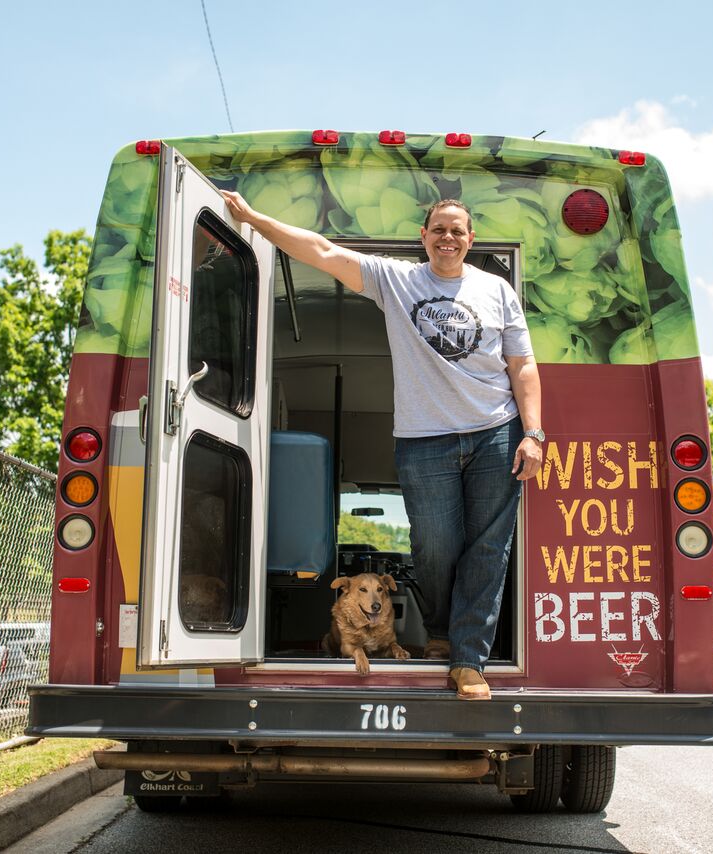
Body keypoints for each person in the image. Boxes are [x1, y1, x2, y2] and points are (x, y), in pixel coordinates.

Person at [221, 191, 543, 701]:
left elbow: (522, 365)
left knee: (488, 551)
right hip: (424, 440)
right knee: (434, 549)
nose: (448, 237)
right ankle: (439, 629)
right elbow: (324, 252)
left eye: (457, 230)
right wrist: (253, 218)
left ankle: (467, 662)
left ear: (471, 239)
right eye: (439, 228)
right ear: (424, 236)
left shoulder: (497, 289)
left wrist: (533, 433)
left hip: (495, 432)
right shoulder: (399, 280)